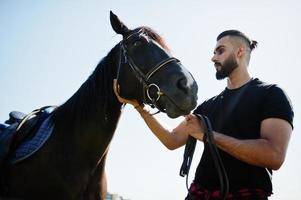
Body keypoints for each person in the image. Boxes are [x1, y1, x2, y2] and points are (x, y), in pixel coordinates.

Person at [113, 30, 294, 200]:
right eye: (214, 52)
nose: (213, 58)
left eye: (220, 51)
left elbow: (274, 155)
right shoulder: (208, 106)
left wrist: (208, 136)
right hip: (199, 193)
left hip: (245, 194)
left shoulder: (272, 94)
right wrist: (138, 106)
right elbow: (172, 139)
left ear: (240, 52)